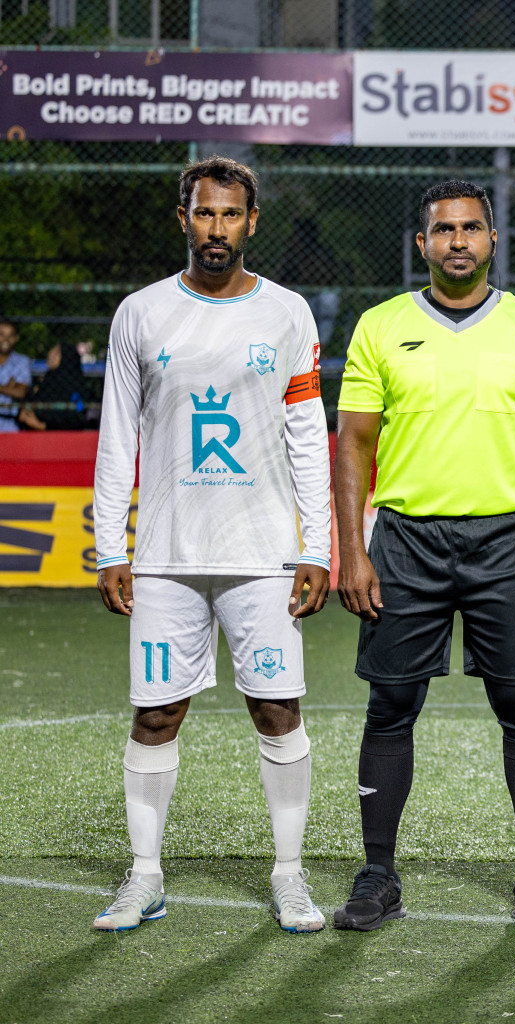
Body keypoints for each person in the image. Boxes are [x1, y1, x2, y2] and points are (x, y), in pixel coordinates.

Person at [331, 180, 515, 933]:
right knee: (390, 706)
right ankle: (379, 874)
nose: (458, 242)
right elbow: (353, 443)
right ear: (423, 244)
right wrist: (355, 551)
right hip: (406, 539)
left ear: (492, 240)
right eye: (443, 230)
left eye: (471, 228)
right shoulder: (380, 327)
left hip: (509, 538)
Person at [92, 156, 332, 933]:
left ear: (251, 222)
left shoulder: (288, 313)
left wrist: (317, 546)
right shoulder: (141, 312)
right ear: (184, 218)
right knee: (156, 715)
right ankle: (145, 876)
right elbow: (117, 436)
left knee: (278, 708)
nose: (216, 229)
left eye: (230, 215)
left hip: (263, 557)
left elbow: (307, 438)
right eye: (204, 214)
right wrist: (110, 546)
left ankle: (290, 877)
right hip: (165, 555)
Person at [18, 342, 89, 431]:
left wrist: (41, 426)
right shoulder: (47, 379)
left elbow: (74, 419)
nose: (50, 354)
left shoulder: (70, 386)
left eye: (56, 352)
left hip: (60, 436)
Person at [0, 319, 31, 432]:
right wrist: (9, 388)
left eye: (10, 335)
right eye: (1, 334)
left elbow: (21, 392)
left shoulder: (22, 361)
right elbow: (15, 390)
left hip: (10, 423)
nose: (5, 340)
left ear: (16, 338)